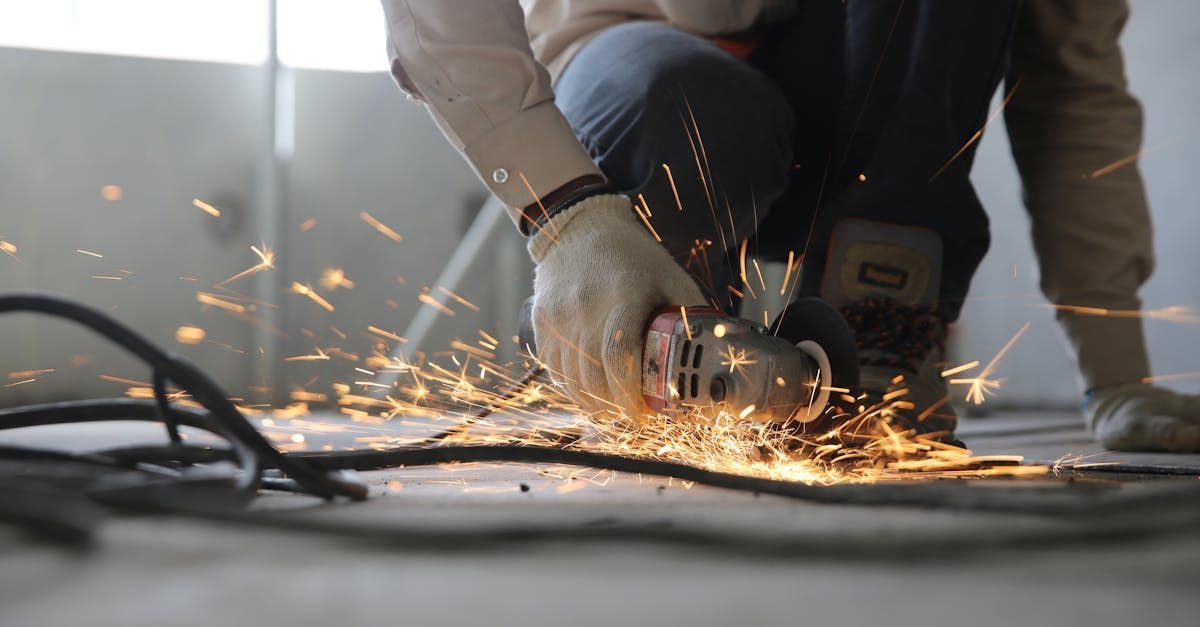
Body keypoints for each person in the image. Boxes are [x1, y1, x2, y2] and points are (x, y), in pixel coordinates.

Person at [379, 0, 1199, 452]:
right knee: (678, 105)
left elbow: (1073, 87)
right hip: (645, 63)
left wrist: (1116, 369)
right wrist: (567, 217)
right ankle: (644, 331)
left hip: (877, 124)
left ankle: (878, 328)